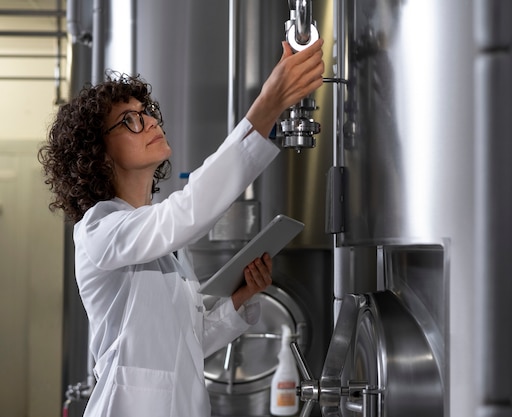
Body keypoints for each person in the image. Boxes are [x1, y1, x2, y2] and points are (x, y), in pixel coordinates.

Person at [38, 39, 324, 417]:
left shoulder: (161, 240)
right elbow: (187, 212)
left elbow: (187, 344)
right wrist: (268, 105)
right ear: (99, 153)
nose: (151, 122)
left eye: (148, 112)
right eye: (130, 120)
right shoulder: (100, 230)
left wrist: (238, 301)